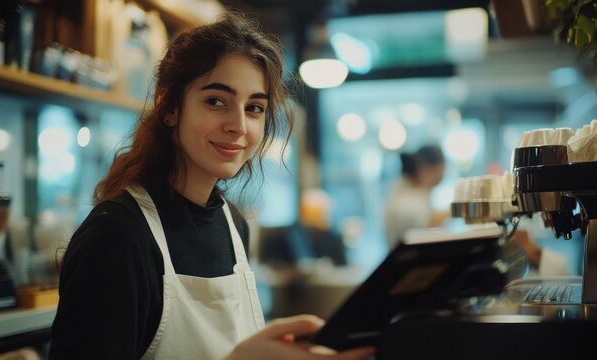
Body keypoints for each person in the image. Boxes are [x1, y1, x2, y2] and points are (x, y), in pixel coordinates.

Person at [49, 12, 374, 360]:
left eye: (254, 108)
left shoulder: (233, 224)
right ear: (169, 105)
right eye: (216, 101)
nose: (238, 125)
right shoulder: (118, 234)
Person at [383, 144, 450, 251]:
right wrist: (456, 209)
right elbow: (426, 226)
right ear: (428, 169)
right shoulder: (406, 199)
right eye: (441, 172)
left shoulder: (410, 193)